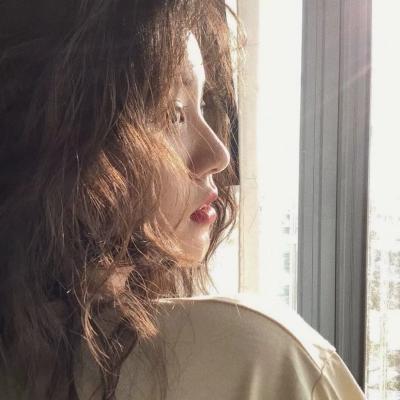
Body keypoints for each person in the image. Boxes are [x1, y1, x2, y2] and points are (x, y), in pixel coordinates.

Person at [0, 1, 366, 399]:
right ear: (67, 141)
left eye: (203, 104)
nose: (218, 154)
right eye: (172, 113)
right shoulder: (256, 360)